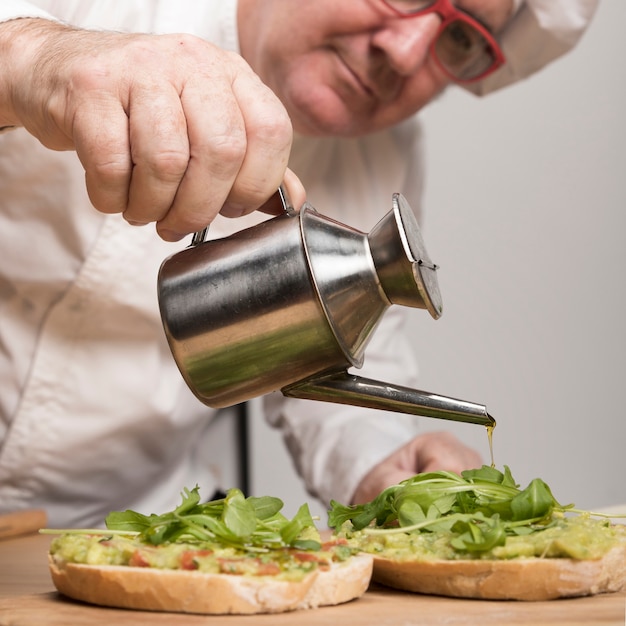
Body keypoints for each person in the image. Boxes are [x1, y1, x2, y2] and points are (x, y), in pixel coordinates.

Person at [0, 1, 598, 527]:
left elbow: (336, 369)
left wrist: (384, 469)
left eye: (461, 38)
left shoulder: (385, 154)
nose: (407, 51)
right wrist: (34, 56)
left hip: (113, 532)